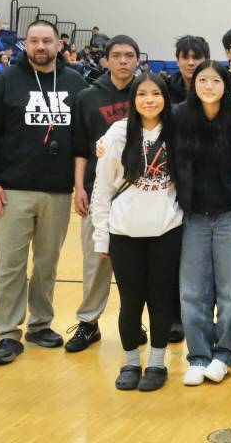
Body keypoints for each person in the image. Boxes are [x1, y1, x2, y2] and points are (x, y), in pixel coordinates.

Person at [0, 20, 88, 365]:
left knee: (46, 264)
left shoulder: (75, 82)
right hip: (12, 189)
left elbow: (84, 138)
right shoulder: (6, 81)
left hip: (57, 190)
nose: (41, 46)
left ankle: (41, 324)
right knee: (10, 264)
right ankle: (8, 334)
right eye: (34, 41)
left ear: (58, 45)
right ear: (26, 44)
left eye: (47, 41)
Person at [91, 73, 183, 392]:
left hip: (167, 230)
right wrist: (100, 235)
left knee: (160, 300)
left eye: (156, 93)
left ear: (165, 98)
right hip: (124, 232)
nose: (149, 100)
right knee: (130, 301)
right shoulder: (117, 133)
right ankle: (130, 363)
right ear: (132, 99)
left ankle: (157, 363)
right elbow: (102, 189)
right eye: (142, 94)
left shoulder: (176, 130)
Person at [67, 35, 141, 353]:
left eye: (129, 55)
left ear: (138, 60)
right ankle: (89, 322)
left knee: (136, 263)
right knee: (96, 260)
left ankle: (133, 321)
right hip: (101, 191)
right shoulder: (87, 97)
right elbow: (80, 147)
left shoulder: (149, 91)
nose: (123, 61)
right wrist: (79, 186)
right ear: (105, 60)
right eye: (117, 55)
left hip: (141, 191)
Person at [173, 61, 231, 386]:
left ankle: (225, 352)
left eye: (215, 80)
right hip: (193, 215)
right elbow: (138, 128)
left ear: (225, 85)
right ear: (194, 83)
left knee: (229, 290)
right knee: (192, 291)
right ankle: (198, 356)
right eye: (202, 79)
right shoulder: (179, 117)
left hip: (230, 214)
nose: (208, 85)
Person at [166, 35, 209, 105]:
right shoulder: (165, 89)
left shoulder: (217, 89)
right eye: (185, 58)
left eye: (196, 57)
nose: (191, 63)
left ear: (206, 61)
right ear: (177, 61)